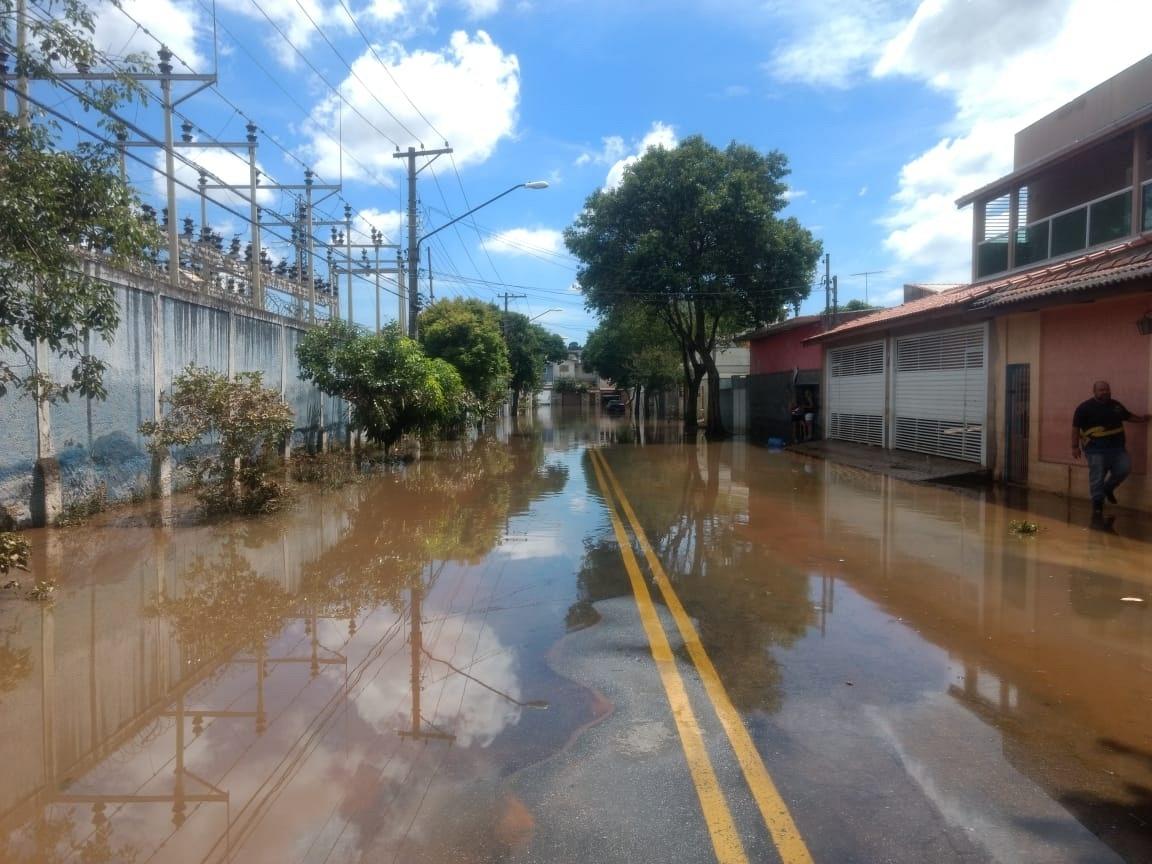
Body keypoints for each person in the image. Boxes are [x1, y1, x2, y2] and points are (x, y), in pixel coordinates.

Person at [1071, 380, 1150, 515]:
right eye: (1101, 390)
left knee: (1124, 468)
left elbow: (1128, 416)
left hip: (1117, 449)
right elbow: (1075, 428)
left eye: (1107, 389)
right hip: (1095, 450)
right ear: (1094, 391)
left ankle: (1108, 488)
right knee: (1097, 477)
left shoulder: (1116, 406)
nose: (1105, 392)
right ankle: (1097, 504)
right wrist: (1074, 446)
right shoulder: (1084, 408)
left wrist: (1142, 419)